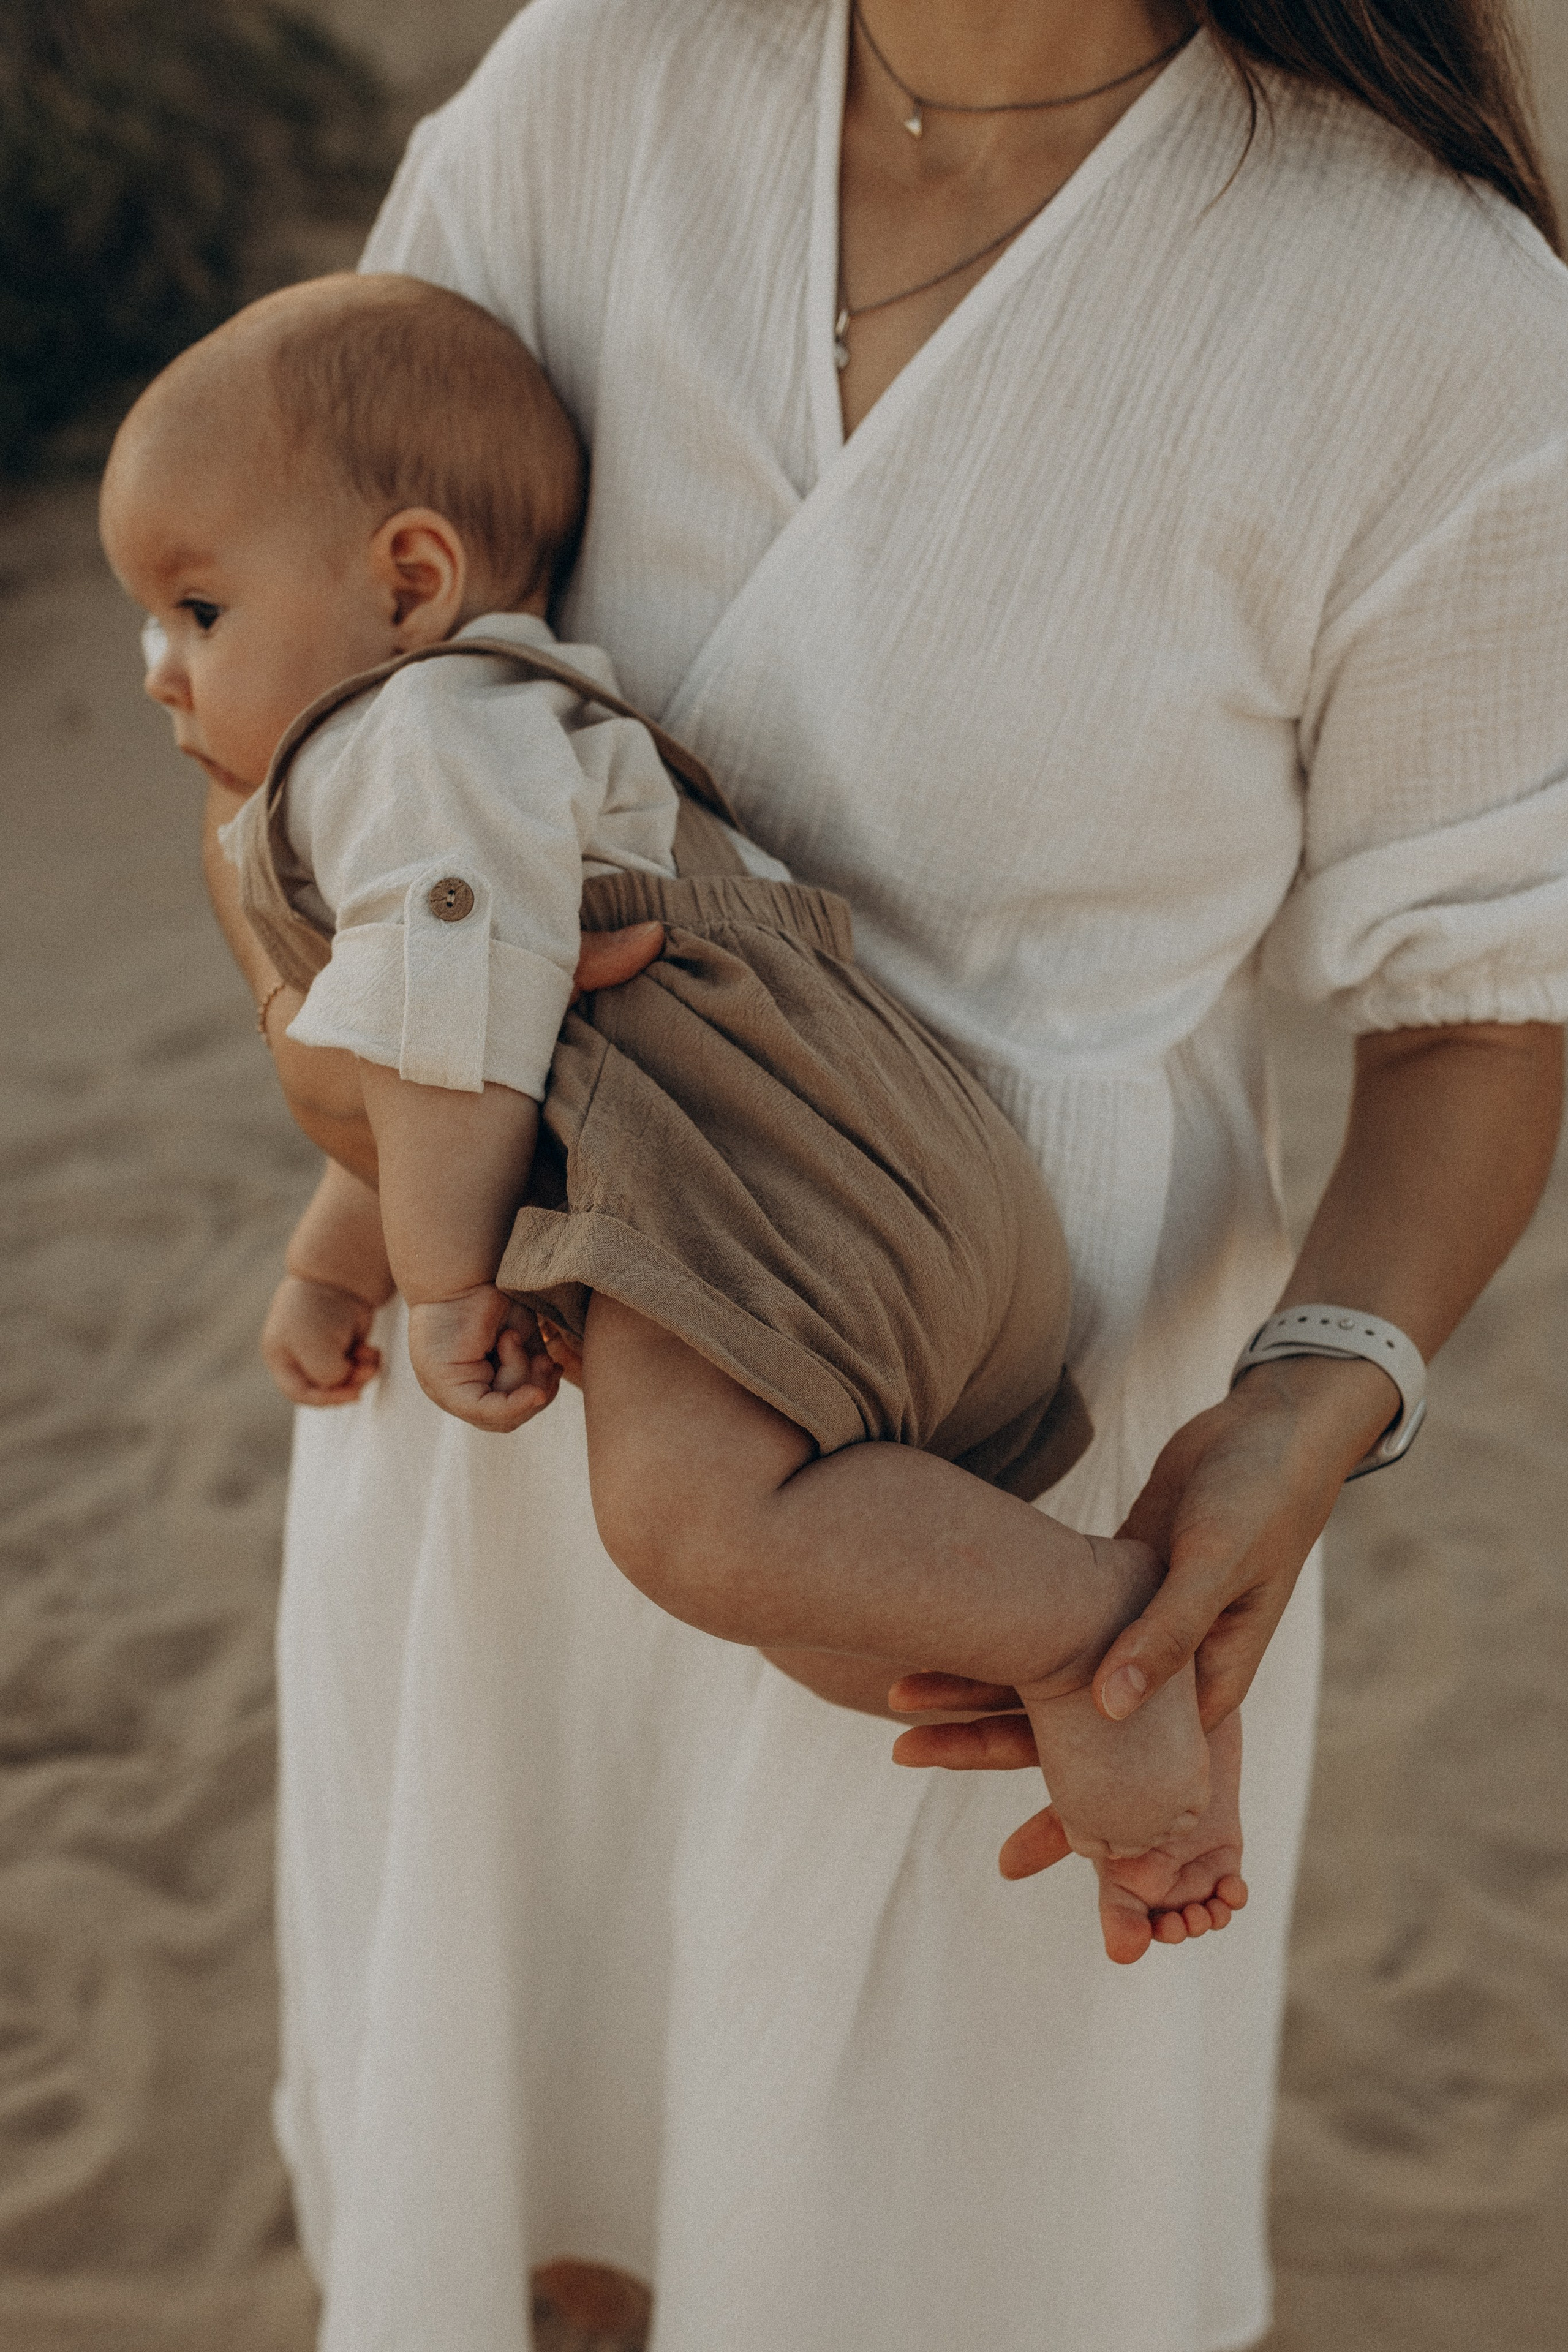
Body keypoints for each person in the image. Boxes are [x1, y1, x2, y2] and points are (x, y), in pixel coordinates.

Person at [190, 2, 1568, 2345]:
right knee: (529, 2195)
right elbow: (309, 646)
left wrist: (1311, 1407)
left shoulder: (1432, 316)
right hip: (522, 1400)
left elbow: (1481, 1014)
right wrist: (367, 1154)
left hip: (1028, 1509)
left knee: (922, 2235)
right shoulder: (590, 90)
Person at [99, 266, 1240, 1877]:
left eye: (199, 610)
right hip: (877, 1201)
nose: (158, 664)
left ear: (409, 578)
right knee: (836, 1622)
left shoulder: (403, 738)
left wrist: (434, 1286)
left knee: (685, 1524)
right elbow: (444, 1061)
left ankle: (1105, 1632)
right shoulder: (494, 760)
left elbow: (453, 1044)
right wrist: (327, 1259)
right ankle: (1113, 1737)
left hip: (770, 1188)